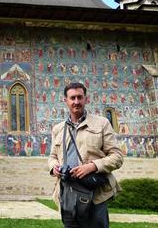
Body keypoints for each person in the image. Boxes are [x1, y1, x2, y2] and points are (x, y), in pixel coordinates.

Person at [48, 82, 123, 228]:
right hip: (68, 193)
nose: (76, 102)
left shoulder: (102, 123)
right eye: (72, 98)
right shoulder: (58, 129)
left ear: (85, 99)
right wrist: (54, 167)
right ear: (66, 101)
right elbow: (52, 156)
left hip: (94, 194)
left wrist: (92, 166)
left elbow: (117, 157)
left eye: (79, 97)